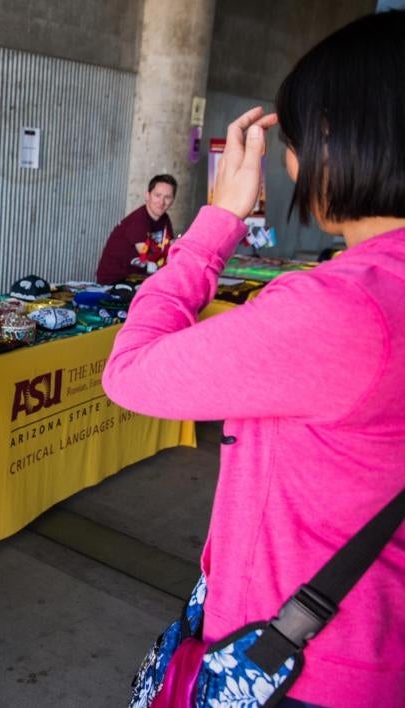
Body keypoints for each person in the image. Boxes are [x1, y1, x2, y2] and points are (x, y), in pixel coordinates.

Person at [103, 11, 405, 706]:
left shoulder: (344, 310)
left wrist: (217, 223)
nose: (293, 164)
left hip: (306, 666)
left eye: (295, 142)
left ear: (341, 137)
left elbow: (130, 371)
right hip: (374, 638)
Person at [96, 174, 177, 283]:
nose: (162, 202)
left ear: (173, 200)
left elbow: (171, 249)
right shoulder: (138, 220)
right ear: (147, 196)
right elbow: (149, 257)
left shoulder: (164, 219)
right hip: (114, 282)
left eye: (167, 197)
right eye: (157, 195)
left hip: (139, 277)